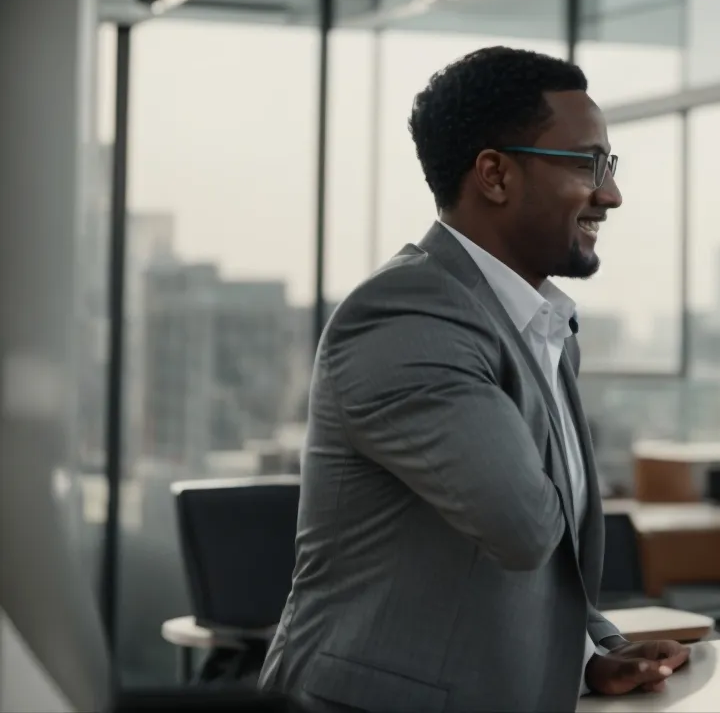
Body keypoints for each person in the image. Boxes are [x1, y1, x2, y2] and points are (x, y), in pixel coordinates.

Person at [259, 47, 685, 712]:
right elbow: (521, 525)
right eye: (586, 164)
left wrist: (588, 652)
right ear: (494, 174)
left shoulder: (538, 328)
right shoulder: (408, 316)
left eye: (610, 165)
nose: (611, 193)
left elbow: (530, 566)